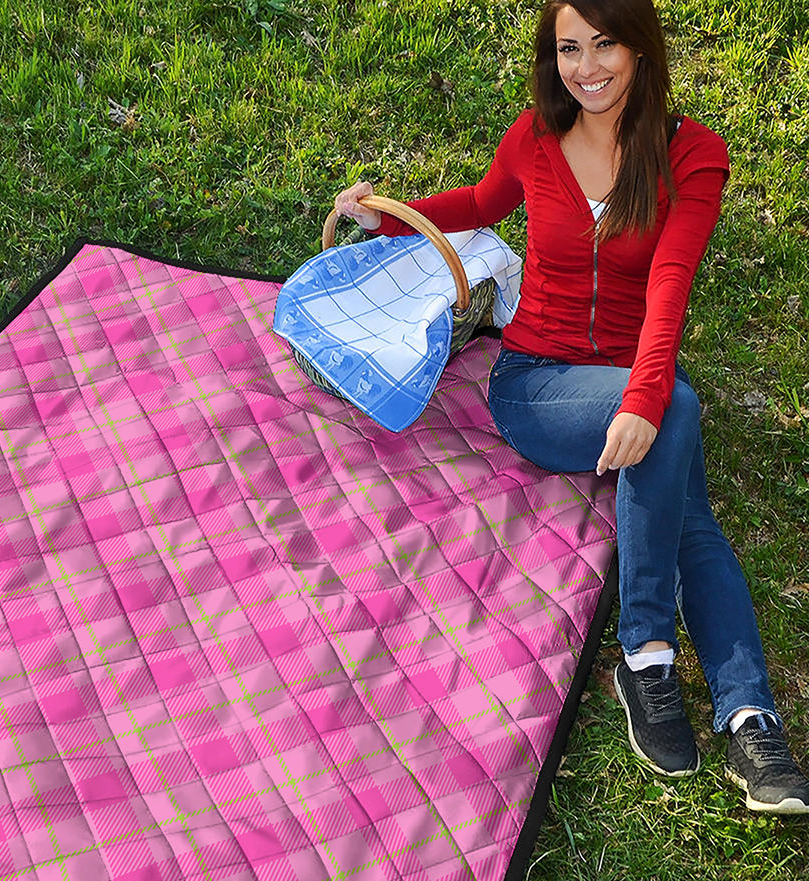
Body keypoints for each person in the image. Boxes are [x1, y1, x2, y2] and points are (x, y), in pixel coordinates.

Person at [334, 0, 809, 814]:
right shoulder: (535, 137)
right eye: (568, 48)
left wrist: (645, 395)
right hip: (534, 383)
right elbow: (482, 205)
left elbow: (670, 284)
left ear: (640, 48)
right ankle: (653, 654)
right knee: (679, 418)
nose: (586, 67)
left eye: (605, 44)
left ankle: (744, 713)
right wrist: (389, 220)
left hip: (628, 376)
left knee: (683, 473)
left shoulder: (692, 156)